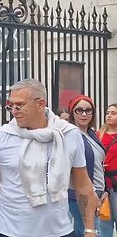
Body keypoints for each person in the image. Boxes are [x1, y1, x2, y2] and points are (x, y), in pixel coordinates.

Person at [0, 79, 100, 237]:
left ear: (40, 104)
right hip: (10, 231)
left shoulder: (68, 134)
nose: (14, 110)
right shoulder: (0, 137)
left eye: (20, 105)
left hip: (60, 231)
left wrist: (90, 230)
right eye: (11, 105)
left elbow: (83, 186)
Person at [66, 95, 109, 237]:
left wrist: (104, 190)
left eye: (88, 110)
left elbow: (99, 164)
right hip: (81, 194)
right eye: (79, 110)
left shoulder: (92, 134)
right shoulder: (70, 135)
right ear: (72, 112)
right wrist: (91, 193)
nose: (84, 114)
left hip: (98, 191)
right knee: (89, 231)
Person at [98, 103, 117, 235]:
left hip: (115, 183)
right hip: (101, 184)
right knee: (104, 222)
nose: (109, 115)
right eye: (107, 113)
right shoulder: (98, 134)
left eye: (113, 113)